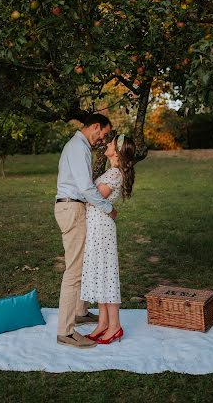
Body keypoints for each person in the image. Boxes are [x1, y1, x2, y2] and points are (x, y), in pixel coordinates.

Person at [55, 113, 117, 349]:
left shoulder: (78, 146)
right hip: (71, 207)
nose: (103, 139)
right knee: (74, 271)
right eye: (103, 133)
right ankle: (66, 332)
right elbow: (86, 187)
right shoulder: (78, 147)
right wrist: (108, 208)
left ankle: (80, 312)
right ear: (95, 127)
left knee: (81, 263)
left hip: (72, 205)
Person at [81, 134, 136, 344]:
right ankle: (103, 323)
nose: (107, 143)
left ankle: (115, 325)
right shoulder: (111, 171)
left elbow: (94, 196)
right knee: (99, 275)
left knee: (106, 274)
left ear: (118, 150)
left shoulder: (114, 174)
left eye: (111, 142)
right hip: (96, 227)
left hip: (102, 229)